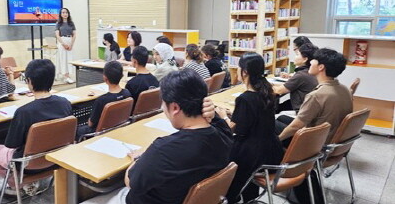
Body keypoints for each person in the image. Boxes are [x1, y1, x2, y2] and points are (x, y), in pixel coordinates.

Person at [82, 69, 232, 204]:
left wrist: (138, 158)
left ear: (174, 108)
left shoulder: (162, 150)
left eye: (164, 105)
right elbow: (219, 124)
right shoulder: (224, 136)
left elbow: (131, 182)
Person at [0, 59, 72, 195]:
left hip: (29, 165)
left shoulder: (24, 112)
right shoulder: (65, 104)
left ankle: (19, 185)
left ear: (30, 81)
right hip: (56, 159)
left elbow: (11, 144)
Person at [215, 52, 284, 203]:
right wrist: (235, 113)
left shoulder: (245, 98)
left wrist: (223, 116)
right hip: (271, 149)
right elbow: (255, 117)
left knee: (217, 156)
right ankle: (248, 196)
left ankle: (230, 198)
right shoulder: (267, 91)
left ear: (244, 72)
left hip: (252, 154)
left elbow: (235, 130)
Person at [276, 48, 352, 145]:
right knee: (281, 118)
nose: (311, 61)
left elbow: (296, 127)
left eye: (314, 60)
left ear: (321, 67)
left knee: (268, 124)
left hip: (313, 143)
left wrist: (277, 140)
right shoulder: (345, 89)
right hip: (330, 138)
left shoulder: (316, 95)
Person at [76, 61, 132, 139]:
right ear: (122, 76)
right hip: (118, 127)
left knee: (77, 130)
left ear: (105, 78)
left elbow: (90, 124)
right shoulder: (127, 93)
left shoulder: (101, 100)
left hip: (100, 133)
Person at [273, 43, 318, 113]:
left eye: (297, 54)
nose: (295, 57)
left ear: (305, 59)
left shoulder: (301, 75)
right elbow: (289, 85)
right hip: (308, 107)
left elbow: (279, 91)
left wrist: (264, 84)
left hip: (301, 110)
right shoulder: (310, 71)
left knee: (272, 109)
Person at [55, 8, 76, 84]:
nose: (65, 14)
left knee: (69, 58)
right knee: (63, 59)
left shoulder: (71, 23)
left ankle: (69, 75)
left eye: (66, 12)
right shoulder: (58, 23)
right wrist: (63, 44)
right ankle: (65, 76)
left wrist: (71, 44)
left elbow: (74, 34)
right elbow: (57, 35)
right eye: (63, 12)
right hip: (62, 41)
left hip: (70, 40)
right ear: (61, 14)